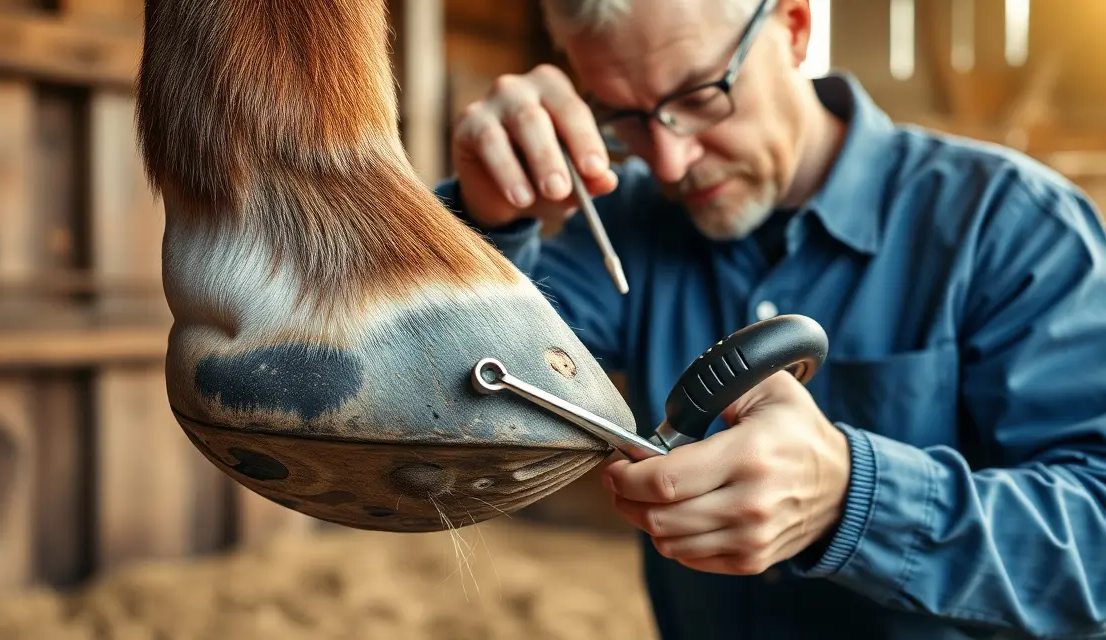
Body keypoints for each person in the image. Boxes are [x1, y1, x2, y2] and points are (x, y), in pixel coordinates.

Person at [432, 0, 1106, 637]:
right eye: (623, 118)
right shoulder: (626, 225)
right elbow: (463, 386)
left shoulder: (1013, 228)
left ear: (795, 26)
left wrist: (854, 497)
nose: (670, 161)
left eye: (699, 98)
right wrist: (483, 219)